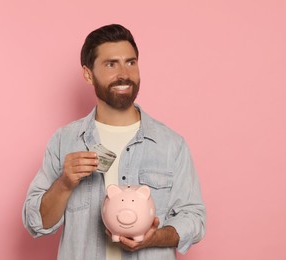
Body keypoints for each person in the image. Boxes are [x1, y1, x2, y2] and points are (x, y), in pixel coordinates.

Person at [22, 24, 206, 260]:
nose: (124, 73)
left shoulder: (171, 144)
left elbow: (194, 218)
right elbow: (36, 223)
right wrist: (65, 184)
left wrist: (154, 237)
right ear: (88, 74)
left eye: (131, 62)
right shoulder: (64, 141)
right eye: (111, 64)